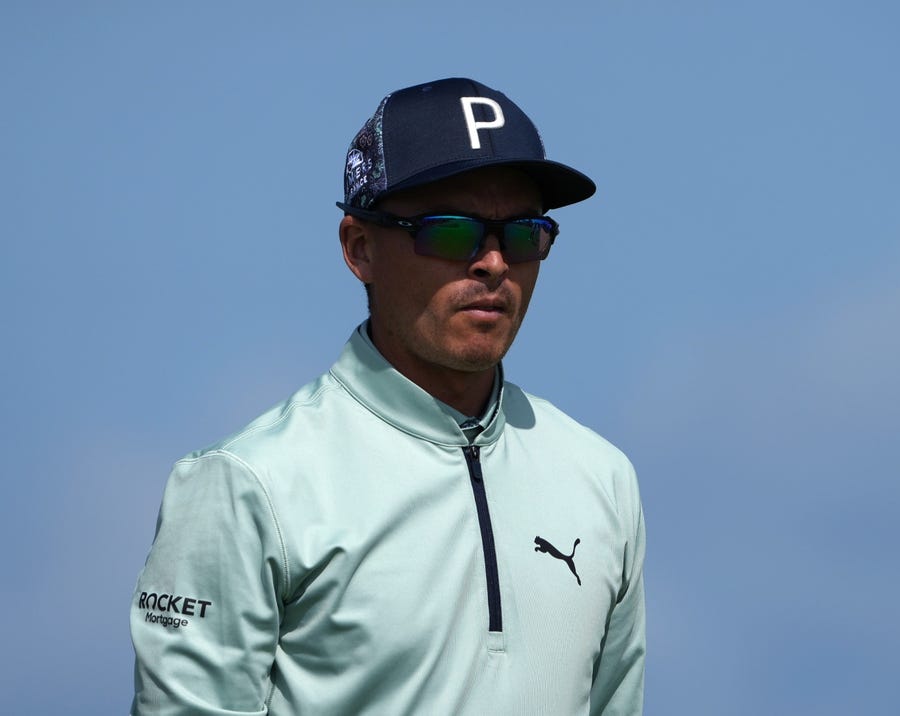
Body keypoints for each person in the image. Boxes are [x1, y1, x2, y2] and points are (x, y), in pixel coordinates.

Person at [130, 77, 645, 715]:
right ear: (360, 248)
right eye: (451, 232)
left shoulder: (603, 478)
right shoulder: (245, 485)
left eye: (521, 234)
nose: (492, 263)